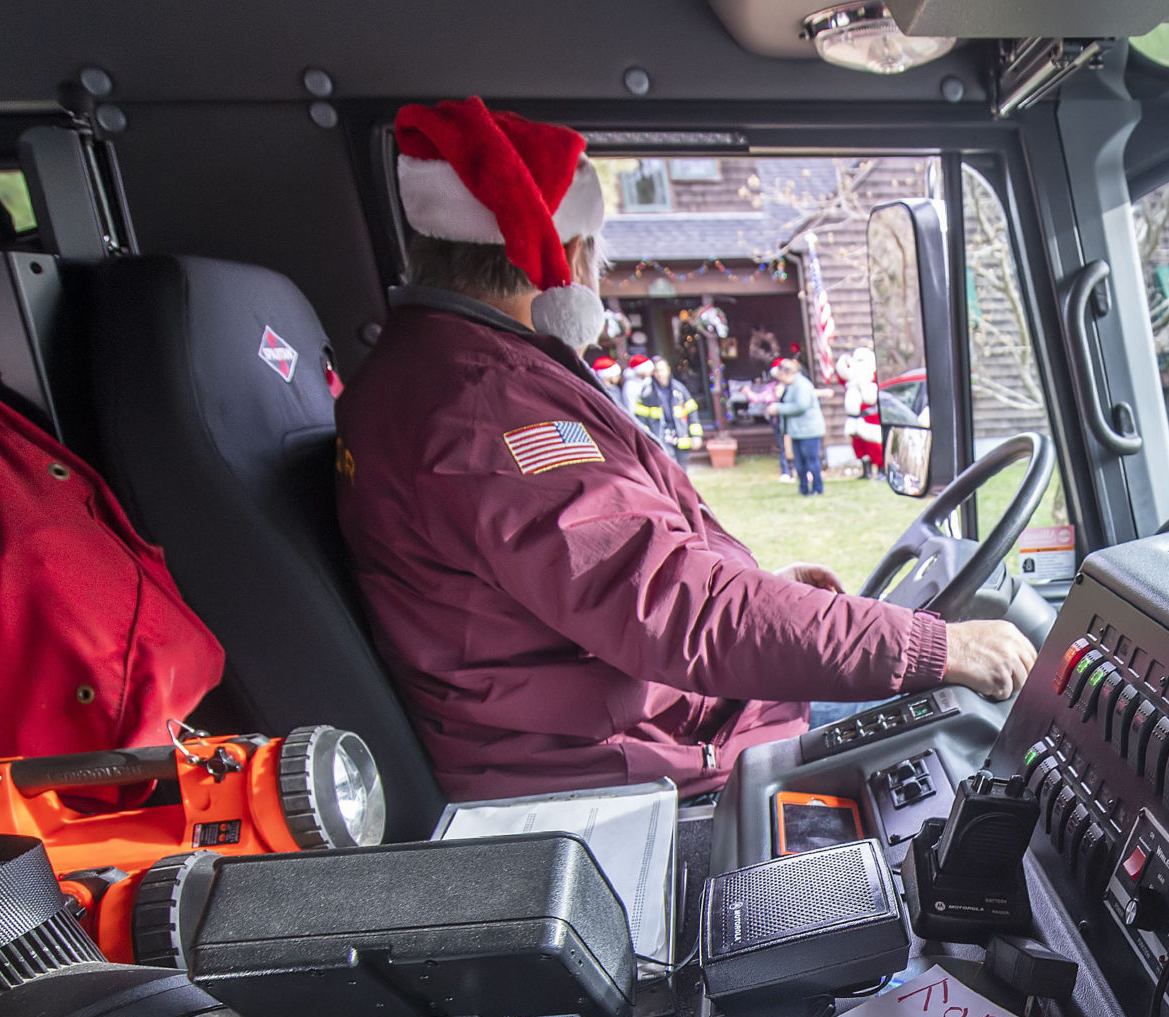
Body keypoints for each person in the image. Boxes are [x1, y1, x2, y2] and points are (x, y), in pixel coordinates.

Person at [334, 98, 1036, 799]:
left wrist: (757, 588)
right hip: (648, 765)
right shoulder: (488, 409)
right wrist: (937, 645)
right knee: (997, 725)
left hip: (637, 730)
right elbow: (682, 610)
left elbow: (617, 578)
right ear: (572, 255)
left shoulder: (438, 373)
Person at [771, 358, 825, 496]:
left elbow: (801, 406)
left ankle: (817, 488)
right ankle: (803, 488)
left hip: (809, 431)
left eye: (781, 376)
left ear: (789, 373)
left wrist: (778, 409)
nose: (780, 380)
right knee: (799, 463)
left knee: (811, 461)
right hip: (797, 431)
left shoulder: (803, 385)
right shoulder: (790, 386)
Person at [627, 357, 701, 456]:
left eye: (662, 370)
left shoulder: (679, 389)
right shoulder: (648, 393)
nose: (660, 374)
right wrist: (647, 440)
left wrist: (696, 435)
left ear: (668, 369)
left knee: (681, 470)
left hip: (682, 439)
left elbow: (692, 412)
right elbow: (641, 419)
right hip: (661, 440)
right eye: (656, 371)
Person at [842, 346, 883, 479]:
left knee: (874, 445)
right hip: (855, 418)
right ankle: (866, 471)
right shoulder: (851, 379)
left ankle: (882, 470)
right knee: (859, 445)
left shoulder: (873, 377)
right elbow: (842, 374)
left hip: (870, 418)